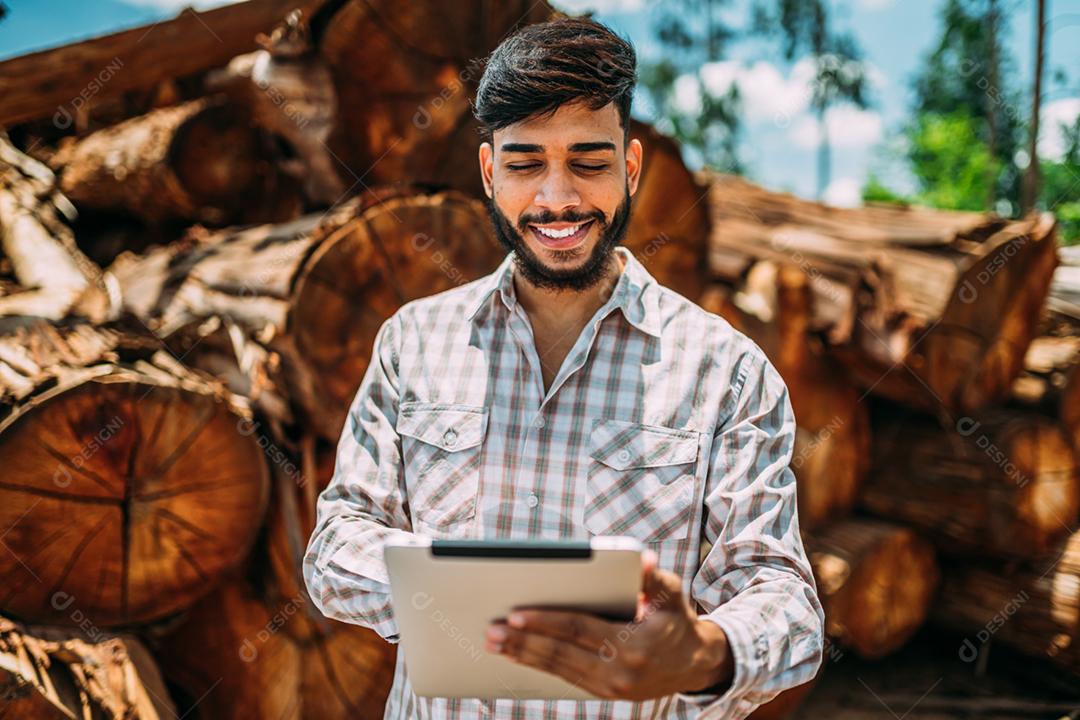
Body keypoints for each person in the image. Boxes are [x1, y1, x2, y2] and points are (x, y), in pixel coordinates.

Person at [303, 16, 823, 720]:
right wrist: (452, 593)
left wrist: (702, 652)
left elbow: (786, 599)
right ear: (489, 173)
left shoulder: (727, 370)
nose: (558, 199)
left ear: (630, 167)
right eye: (524, 164)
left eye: (588, 160)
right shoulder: (412, 344)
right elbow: (336, 543)